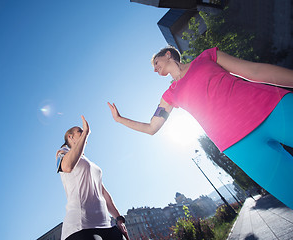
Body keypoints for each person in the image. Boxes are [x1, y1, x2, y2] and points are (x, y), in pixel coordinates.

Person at [108, 46, 293, 209]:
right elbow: (151, 127)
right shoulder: (169, 95)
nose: (155, 69)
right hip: (238, 145)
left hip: (272, 108)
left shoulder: (207, 57)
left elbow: (253, 70)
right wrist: (120, 119)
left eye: (156, 63)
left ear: (168, 54)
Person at [56, 115, 130, 240]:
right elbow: (67, 166)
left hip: (106, 225)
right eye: (80, 131)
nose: (83, 133)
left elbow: (103, 193)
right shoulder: (63, 152)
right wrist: (86, 133)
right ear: (70, 137)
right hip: (81, 226)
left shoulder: (90, 164)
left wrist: (119, 218)